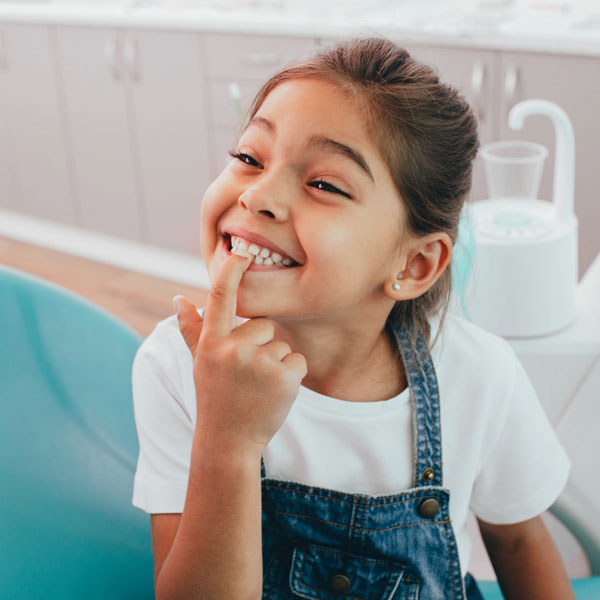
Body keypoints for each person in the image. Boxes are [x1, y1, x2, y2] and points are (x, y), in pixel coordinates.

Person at [131, 37, 574, 599]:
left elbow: (518, 543)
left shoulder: (481, 374)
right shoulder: (175, 365)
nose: (259, 195)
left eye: (323, 184)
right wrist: (227, 440)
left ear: (414, 265)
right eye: (249, 157)